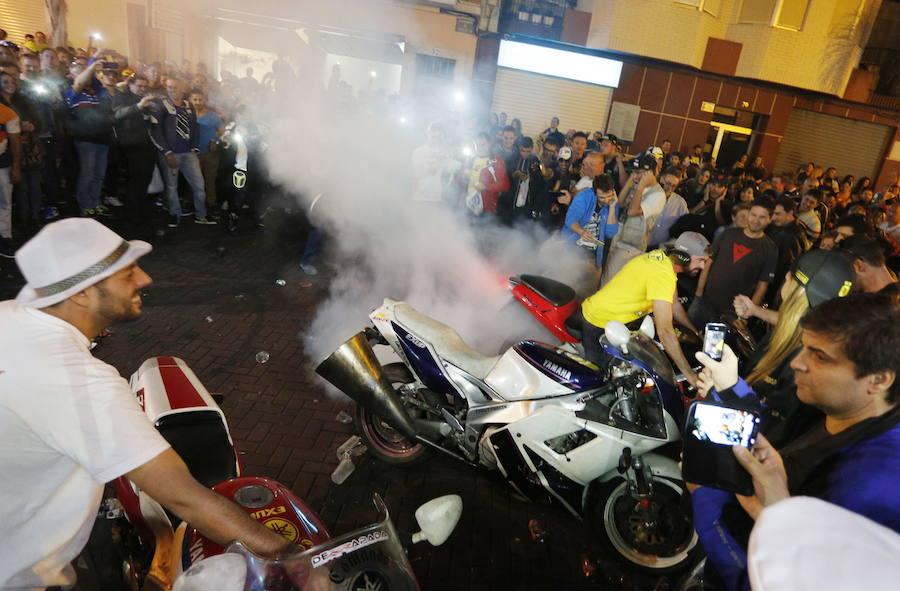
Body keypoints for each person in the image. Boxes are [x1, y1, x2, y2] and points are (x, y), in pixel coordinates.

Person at [0, 219, 294, 589]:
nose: (145, 279)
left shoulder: (10, 316)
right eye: (127, 273)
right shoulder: (80, 380)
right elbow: (182, 497)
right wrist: (291, 558)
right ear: (82, 293)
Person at [690, 292, 900, 591]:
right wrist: (729, 386)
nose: (798, 363)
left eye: (820, 356)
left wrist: (708, 496)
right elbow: (775, 424)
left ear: (878, 380)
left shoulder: (866, 492)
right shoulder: (838, 408)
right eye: (804, 348)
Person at [727, 249, 855, 446]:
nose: (785, 278)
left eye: (790, 275)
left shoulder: (801, 363)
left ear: (799, 290)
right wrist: (754, 311)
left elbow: (767, 429)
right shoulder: (806, 339)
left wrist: (725, 387)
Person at [581, 231, 710, 385]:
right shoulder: (662, 275)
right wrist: (690, 375)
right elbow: (665, 332)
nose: (702, 266)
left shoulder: (664, 260)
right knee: (602, 381)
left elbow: (674, 304)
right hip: (599, 321)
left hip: (620, 320)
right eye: (700, 260)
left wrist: (695, 333)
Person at [691, 202, 777, 328]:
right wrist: (699, 292)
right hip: (705, 301)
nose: (756, 220)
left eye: (762, 217)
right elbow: (709, 262)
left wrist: (748, 312)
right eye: (753, 215)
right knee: (690, 335)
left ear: (770, 219)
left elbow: (762, 284)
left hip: (732, 313)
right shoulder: (728, 234)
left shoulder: (770, 248)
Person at [149, 77, 215, 227]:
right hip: (171, 153)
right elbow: (155, 131)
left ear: (182, 89)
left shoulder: (188, 105)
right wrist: (166, 152)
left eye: (175, 87)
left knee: (199, 185)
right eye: (170, 87)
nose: (173, 90)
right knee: (172, 187)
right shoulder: (161, 106)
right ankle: (174, 214)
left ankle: (201, 215)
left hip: (189, 153)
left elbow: (195, 128)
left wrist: (195, 146)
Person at [600, 154, 668, 285]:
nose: (635, 176)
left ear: (650, 173)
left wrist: (641, 186)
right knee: (606, 279)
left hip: (630, 248)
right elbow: (619, 204)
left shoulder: (658, 194)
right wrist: (631, 181)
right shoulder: (636, 184)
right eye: (633, 172)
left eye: (639, 172)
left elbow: (632, 212)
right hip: (618, 240)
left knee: (611, 284)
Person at [112, 75, 160, 228]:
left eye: (145, 87)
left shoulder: (145, 99)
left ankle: (139, 210)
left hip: (148, 144)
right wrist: (139, 105)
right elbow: (118, 114)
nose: (142, 89)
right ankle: (132, 215)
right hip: (132, 145)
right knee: (135, 181)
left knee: (144, 180)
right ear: (130, 85)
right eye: (139, 86)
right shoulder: (122, 96)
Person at [561, 174, 619, 273]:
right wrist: (582, 232)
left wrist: (613, 207)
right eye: (602, 198)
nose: (606, 201)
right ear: (595, 192)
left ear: (613, 192)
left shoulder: (613, 203)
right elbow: (570, 219)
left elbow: (610, 233)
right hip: (572, 248)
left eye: (609, 196)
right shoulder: (584, 197)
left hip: (593, 255)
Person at [0, 93, 21, 257]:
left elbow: (15, 142)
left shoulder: (7, 113)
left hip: (2, 165)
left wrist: (16, 167)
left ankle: (5, 237)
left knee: (4, 203)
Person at [648, 167, 688, 248]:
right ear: (662, 178)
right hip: (639, 244)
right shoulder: (648, 194)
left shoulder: (680, 203)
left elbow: (685, 227)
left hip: (661, 249)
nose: (669, 188)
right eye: (668, 183)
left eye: (673, 186)